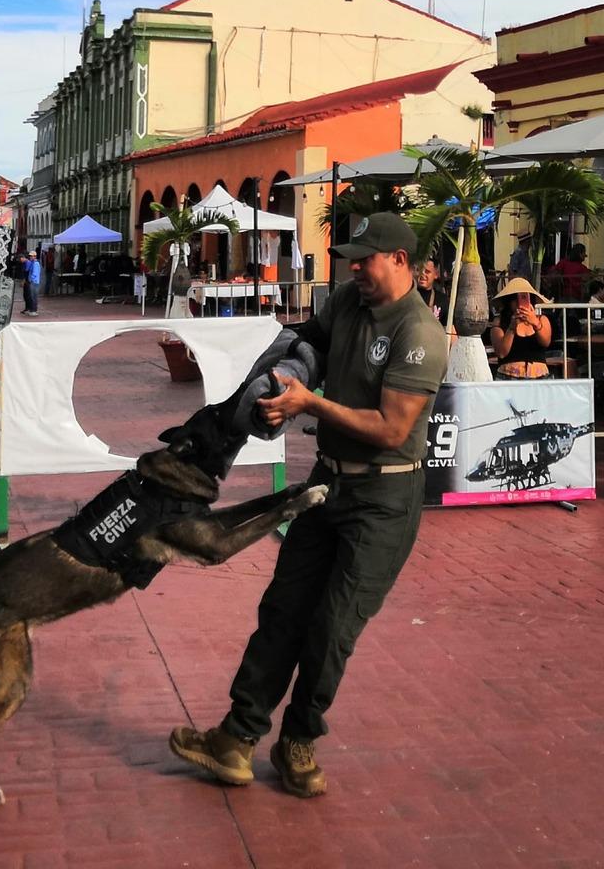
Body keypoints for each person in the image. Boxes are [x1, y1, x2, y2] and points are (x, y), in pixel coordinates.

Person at [169, 212, 448, 800]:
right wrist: (277, 382)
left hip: (385, 498)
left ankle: (298, 740)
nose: (355, 270)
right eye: (352, 260)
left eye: (366, 260)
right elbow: (308, 343)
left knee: (332, 628)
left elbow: (392, 428)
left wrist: (310, 404)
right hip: (325, 484)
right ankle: (236, 738)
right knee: (284, 610)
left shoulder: (418, 333)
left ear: (400, 260)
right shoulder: (347, 300)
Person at [487, 278, 554, 379]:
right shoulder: (500, 322)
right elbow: (501, 352)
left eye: (524, 298)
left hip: (540, 377)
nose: (519, 303)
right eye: (515, 299)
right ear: (509, 302)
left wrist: (535, 323)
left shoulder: (541, 319)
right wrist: (511, 329)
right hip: (509, 377)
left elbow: (546, 342)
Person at [22, 250, 42, 314]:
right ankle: (32, 309)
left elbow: (35, 273)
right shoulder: (32, 263)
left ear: (35, 256)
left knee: (33, 296)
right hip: (33, 281)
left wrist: (31, 279)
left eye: (32, 256)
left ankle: (34, 310)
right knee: (32, 296)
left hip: (34, 282)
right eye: (30, 256)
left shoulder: (35, 263)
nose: (30, 257)